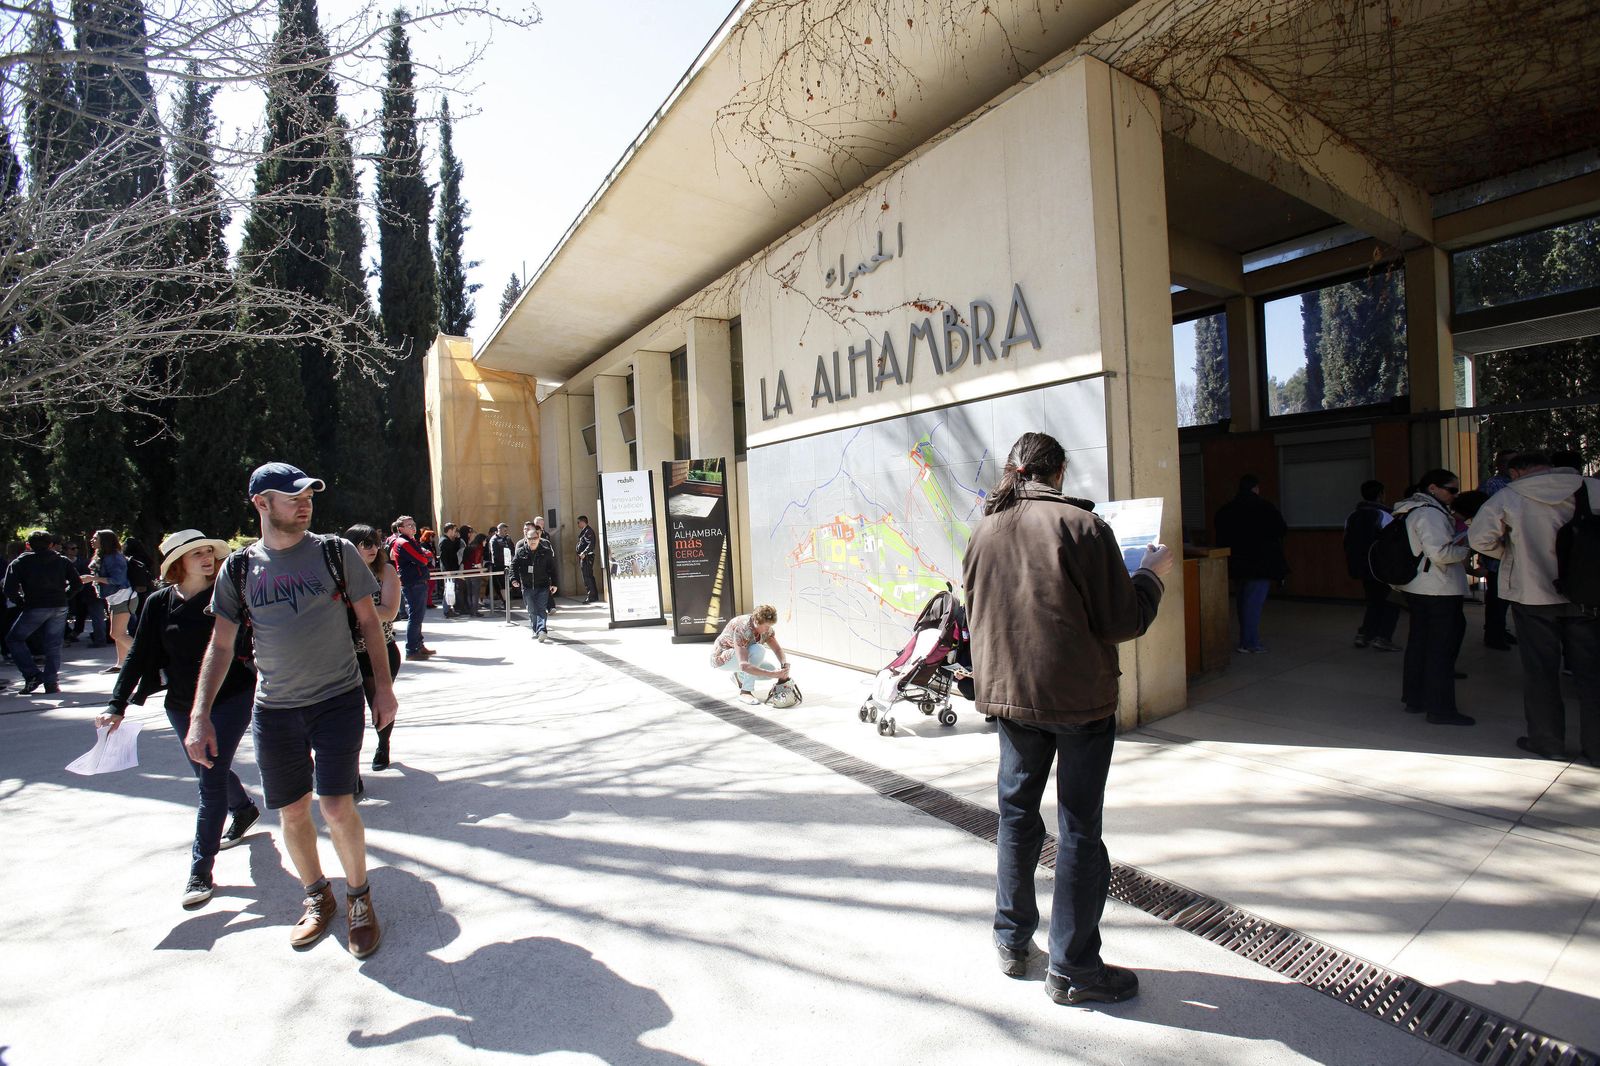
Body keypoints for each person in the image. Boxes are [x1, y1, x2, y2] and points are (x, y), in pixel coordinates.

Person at [962, 431, 1171, 1005]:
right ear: (1057, 473)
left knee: (1016, 816)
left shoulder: (984, 528)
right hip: (1078, 700)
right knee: (1079, 829)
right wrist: (1151, 574)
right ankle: (1074, 968)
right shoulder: (1085, 527)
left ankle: (1011, 940)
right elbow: (1122, 620)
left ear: (1016, 470)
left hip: (1010, 698)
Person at [192, 461, 396, 958]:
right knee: (290, 810)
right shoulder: (239, 569)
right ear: (261, 504)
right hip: (275, 707)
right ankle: (316, 896)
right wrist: (200, 715)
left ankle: (358, 898)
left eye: (308, 494)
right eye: (292, 496)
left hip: (338, 698)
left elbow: (371, 624)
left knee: (335, 804)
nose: (304, 502)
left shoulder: (334, 551)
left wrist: (383, 690)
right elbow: (220, 646)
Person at [101, 530, 260, 908]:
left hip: (231, 697)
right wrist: (116, 704)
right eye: (196, 554)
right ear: (177, 563)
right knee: (209, 770)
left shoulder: (228, 596)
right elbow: (139, 654)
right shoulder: (158, 603)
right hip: (179, 704)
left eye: (210, 552)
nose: (207, 559)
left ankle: (200, 870)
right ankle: (244, 808)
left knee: (209, 781)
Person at [1469, 450, 1600, 764]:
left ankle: (1548, 742)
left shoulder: (1510, 496)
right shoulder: (1592, 487)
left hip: (1533, 596)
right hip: (1589, 595)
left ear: (1516, 472)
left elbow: (1480, 539)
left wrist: (1514, 556)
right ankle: (1596, 749)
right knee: (1593, 673)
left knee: (1540, 671)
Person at [1392, 469, 1473, 726]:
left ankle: (1415, 698)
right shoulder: (1430, 513)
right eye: (1451, 490)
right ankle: (1440, 708)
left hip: (1417, 587)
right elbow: (1440, 554)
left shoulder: (1407, 509)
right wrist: (1468, 547)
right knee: (1440, 650)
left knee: (1419, 645)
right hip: (1438, 588)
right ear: (1433, 488)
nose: (1454, 495)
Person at [345, 524, 402, 772]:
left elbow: (390, 611)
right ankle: (349, 765)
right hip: (345, 653)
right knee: (347, 712)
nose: (373, 549)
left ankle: (383, 744)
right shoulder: (339, 574)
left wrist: (357, 613)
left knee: (377, 702)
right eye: (366, 544)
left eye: (376, 543)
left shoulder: (385, 571)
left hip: (379, 650)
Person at [1213, 474, 1288, 654]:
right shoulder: (1266, 508)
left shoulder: (1227, 510)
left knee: (1243, 602)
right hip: (1261, 563)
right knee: (1253, 604)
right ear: (1255, 488)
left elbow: (1220, 533)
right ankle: (1250, 642)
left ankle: (1246, 639)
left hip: (1237, 563)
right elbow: (1281, 529)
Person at [4, 530, 79, 694]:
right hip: (58, 604)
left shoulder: (20, 562)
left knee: (14, 639)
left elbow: (9, 589)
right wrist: (65, 596)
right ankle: (51, 682)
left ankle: (32, 675)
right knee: (53, 644)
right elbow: (77, 583)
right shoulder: (62, 560)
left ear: (28, 545)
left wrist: (21, 602)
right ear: (51, 544)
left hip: (36, 605)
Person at [1343, 481, 1401, 651]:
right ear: (1381, 494)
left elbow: (1346, 541)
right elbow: (1394, 542)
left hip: (1362, 567)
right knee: (1391, 602)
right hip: (1383, 568)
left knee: (1373, 601)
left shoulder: (1352, 515)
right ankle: (1383, 637)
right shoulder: (1384, 516)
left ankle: (1364, 634)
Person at [709, 604, 791, 704]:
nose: (768, 629)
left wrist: (783, 665)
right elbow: (743, 665)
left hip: (740, 659)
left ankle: (739, 677)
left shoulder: (766, 630)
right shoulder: (742, 627)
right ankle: (745, 692)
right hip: (722, 659)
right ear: (756, 621)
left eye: (770, 625)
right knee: (758, 650)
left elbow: (778, 650)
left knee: (771, 669)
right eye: (766, 626)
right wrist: (774, 674)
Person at [84, 529, 136, 672]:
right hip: (115, 598)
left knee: (117, 634)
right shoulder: (104, 555)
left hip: (123, 597)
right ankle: (121, 664)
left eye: (95, 538)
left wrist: (93, 579)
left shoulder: (113, 557)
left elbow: (117, 580)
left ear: (105, 541)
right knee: (119, 633)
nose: (92, 540)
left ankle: (148, 658)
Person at [389, 515, 435, 660]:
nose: (413, 527)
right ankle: (412, 650)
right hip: (413, 582)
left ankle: (418, 645)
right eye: (409, 525)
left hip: (417, 581)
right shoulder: (403, 542)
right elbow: (422, 559)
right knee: (415, 617)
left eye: (413, 524)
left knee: (418, 616)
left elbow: (428, 554)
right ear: (401, 528)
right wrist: (424, 556)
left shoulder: (411, 541)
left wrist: (425, 556)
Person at [510, 524, 558, 642]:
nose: (533, 541)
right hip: (527, 587)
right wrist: (514, 579)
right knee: (531, 610)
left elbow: (552, 569)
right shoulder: (521, 552)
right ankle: (536, 629)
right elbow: (513, 567)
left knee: (541, 608)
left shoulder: (545, 552)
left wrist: (554, 583)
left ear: (538, 538)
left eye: (535, 538)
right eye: (530, 539)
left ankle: (542, 630)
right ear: (526, 539)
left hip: (543, 585)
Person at [438, 523, 463, 618]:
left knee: (450, 589)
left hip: (452, 568)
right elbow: (444, 557)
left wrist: (457, 538)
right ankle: (447, 610)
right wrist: (447, 570)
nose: (455, 532)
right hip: (448, 569)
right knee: (448, 589)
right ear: (449, 530)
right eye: (454, 530)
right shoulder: (444, 541)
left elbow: (455, 548)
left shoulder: (449, 540)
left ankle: (449, 609)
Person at [488, 523, 514, 608]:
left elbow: (512, 548)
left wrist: (512, 557)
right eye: (504, 530)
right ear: (499, 530)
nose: (506, 532)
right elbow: (494, 554)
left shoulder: (508, 538)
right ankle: (506, 602)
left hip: (508, 564)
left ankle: (508, 600)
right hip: (499, 565)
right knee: (502, 584)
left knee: (509, 584)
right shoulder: (494, 539)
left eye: (506, 530)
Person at [576, 515, 599, 603]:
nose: (577, 524)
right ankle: (593, 595)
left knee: (588, 577)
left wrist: (584, 553)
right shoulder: (584, 531)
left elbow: (591, 544)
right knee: (588, 576)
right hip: (584, 557)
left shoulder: (588, 531)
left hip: (587, 557)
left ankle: (591, 596)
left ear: (582, 522)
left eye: (578, 522)